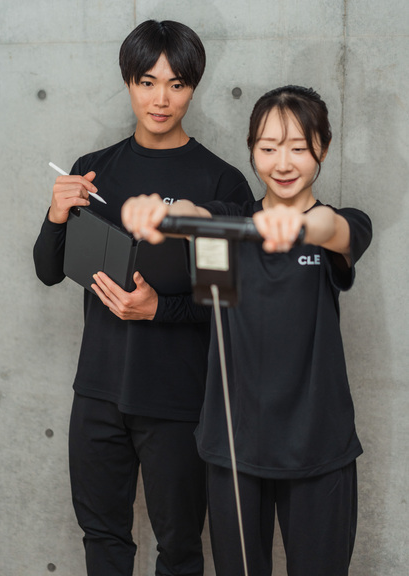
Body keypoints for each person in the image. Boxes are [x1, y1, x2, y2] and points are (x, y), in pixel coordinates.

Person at [120, 85, 372, 576]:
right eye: (268, 147)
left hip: (319, 444)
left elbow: (333, 228)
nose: (283, 162)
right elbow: (195, 216)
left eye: (298, 148)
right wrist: (162, 214)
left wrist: (302, 227)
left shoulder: (342, 225)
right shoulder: (229, 223)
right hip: (234, 446)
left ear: (322, 147)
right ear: (252, 149)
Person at [33, 19, 253, 576]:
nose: (161, 99)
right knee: (102, 539)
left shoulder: (220, 184)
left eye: (177, 84)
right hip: (97, 394)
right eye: (147, 82)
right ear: (128, 82)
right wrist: (56, 213)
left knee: (179, 549)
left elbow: (225, 300)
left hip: (177, 401)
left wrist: (159, 309)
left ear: (193, 88)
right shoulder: (94, 171)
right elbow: (48, 271)